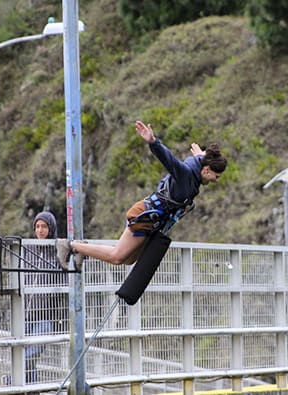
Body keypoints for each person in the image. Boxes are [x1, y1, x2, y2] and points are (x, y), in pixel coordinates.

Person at [57, 120, 227, 270]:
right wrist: (154, 142)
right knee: (117, 257)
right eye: (216, 176)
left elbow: (198, 159)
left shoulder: (197, 168)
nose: (217, 181)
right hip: (146, 215)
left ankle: (80, 249)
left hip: (154, 220)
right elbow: (170, 160)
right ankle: (71, 246)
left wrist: (201, 155)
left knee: (129, 259)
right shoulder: (187, 174)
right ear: (206, 170)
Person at [24, 211, 68, 388]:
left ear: (51, 228)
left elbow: (65, 284)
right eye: (37, 226)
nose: (40, 230)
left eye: (44, 226)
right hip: (26, 314)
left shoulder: (58, 251)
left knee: (31, 353)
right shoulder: (28, 249)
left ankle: (14, 377)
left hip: (47, 315)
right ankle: (31, 390)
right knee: (30, 360)